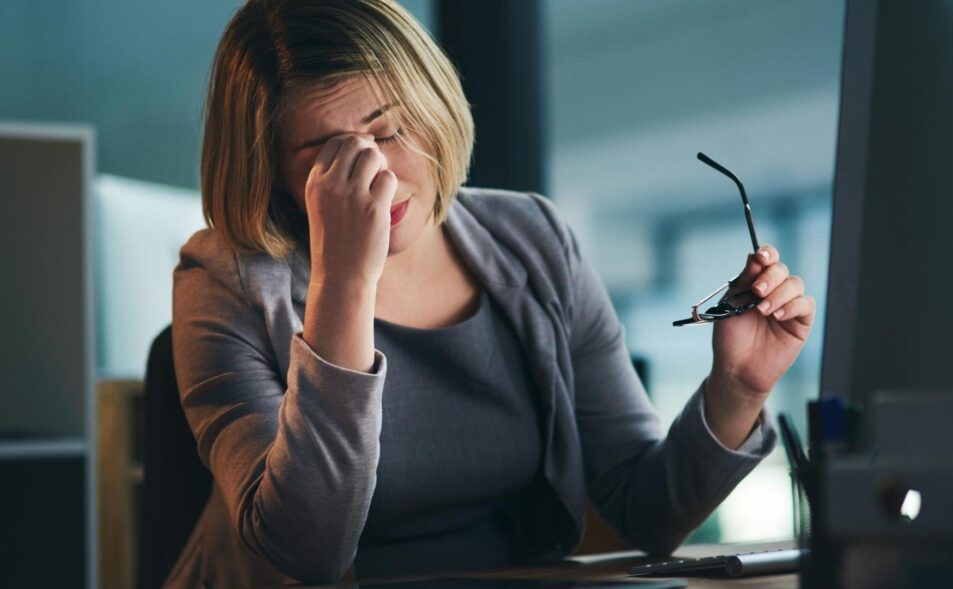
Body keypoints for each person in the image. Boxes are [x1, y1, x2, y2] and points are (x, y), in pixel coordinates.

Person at [168, 0, 816, 586]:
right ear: (273, 170)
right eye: (327, 156)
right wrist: (345, 283)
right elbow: (306, 553)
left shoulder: (534, 239)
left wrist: (738, 388)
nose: (379, 178)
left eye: (390, 130)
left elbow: (645, 512)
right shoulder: (221, 280)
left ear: (432, 105)